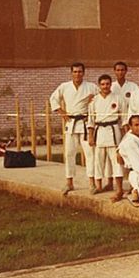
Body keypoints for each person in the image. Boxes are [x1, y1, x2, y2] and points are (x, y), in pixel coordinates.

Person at [50, 62, 99, 195]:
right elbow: (53, 99)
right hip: (71, 123)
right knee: (69, 153)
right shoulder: (64, 87)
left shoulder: (91, 87)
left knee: (90, 153)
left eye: (80, 71)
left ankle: (92, 182)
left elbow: (100, 98)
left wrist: (93, 100)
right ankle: (69, 182)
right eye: (75, 72)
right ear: (71, 73)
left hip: (85, 123)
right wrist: (62, 112)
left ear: (84, 73)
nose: (77, 74)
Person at [88, 74, 125, 197]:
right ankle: (99, 186)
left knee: (116, 161)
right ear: (99, 85)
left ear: (110, 85)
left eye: (107, 84)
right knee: (98, 160)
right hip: (99, 132)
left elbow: (124, 119)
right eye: (103, 84)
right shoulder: (94, 101)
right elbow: (91, 120)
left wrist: (125, 135)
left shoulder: (118, 98)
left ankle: (119, 188)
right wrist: (90, 136)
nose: (105, 86)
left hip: (113, 131)